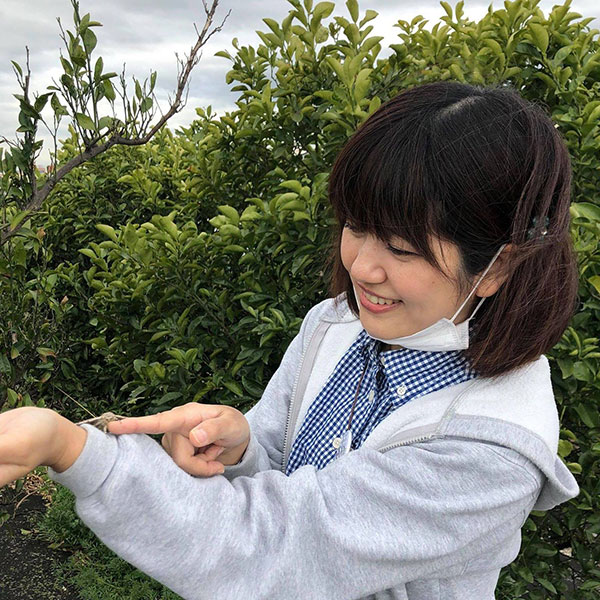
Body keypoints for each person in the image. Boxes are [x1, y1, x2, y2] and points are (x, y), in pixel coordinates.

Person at [0, 81, 581, 600]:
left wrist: (74, 449)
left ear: (498, 266)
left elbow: (270, 548)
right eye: (356, 225)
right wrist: (240, 450)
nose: (362, 267)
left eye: (402, 248)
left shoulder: (489, 450)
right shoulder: (335, 325)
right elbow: (282, 468)